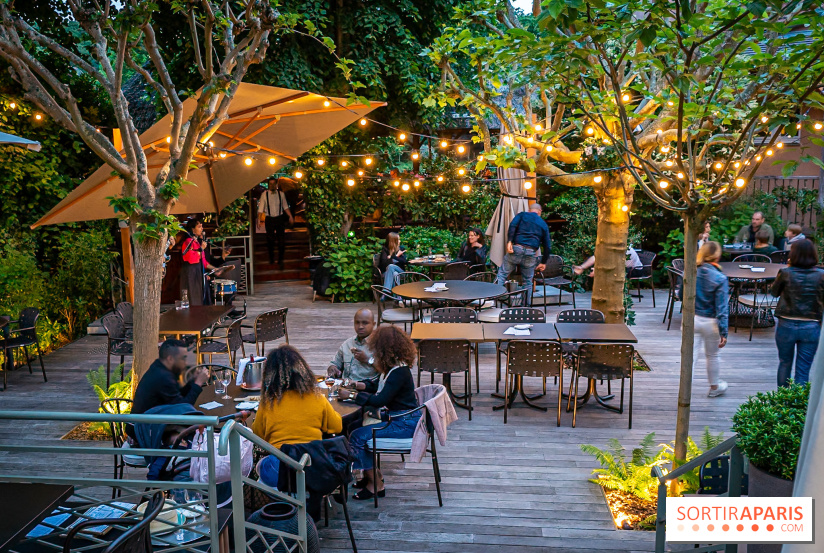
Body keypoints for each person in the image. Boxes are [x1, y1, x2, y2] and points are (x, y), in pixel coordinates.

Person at [338, 326, 420, 501]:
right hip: (399, 417)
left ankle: (375, 484)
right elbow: (377, 385)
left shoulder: (399, 372)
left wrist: (351, 395)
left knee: (358, 436)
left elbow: (379, 400)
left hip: (403, 422)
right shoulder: (394, 367)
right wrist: (355, 385)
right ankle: (370, 475)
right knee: (353, 426)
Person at [252, 345, 343, 487]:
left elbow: (257, 435)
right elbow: (337, 427)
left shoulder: (268, 402)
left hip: (280, 468)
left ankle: (283, 500)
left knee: (260, 466)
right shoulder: (317, 398)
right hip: (313, 467)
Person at [770, 239, 824, 387]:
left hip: (786, 323)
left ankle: (782, 402)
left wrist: (787, 268)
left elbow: (774, 293)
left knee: (784, 363)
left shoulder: (786, 273)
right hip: (811, 325)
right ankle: (798, 405)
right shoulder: (821, 275)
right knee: (803, 368)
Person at [132, 339, 209, 415]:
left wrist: (193, 381)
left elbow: (177, 397)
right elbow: (183, 409)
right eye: (183, 358)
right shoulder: (163, 377)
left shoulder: (159, 367)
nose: (186, 363)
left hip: (151, 421)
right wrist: (198, 383)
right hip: (145, 425)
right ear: (170, 359)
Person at [495, 203, 552, 304]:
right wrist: (543, 262)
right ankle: (525, 307)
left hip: (517, 249)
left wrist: (509, 241)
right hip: (531, 253)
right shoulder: (543, 224)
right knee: (527, 281)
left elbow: (512, 226)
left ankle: (494, 302)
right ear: (540, 212)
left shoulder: (521, 215)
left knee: (502, 275)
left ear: (530, 210)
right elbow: (547, 246)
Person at [694, 242, 729, 397]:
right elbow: (722, 309)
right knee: (713, 355)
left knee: (689, 356)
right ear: (717, 255)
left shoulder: (691, 271)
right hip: (711, 322)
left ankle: (685, 387)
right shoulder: (720, 278)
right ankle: (715, 388)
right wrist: (724, 331)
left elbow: (681, 293)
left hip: (692, 319)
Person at [180, 218, 228, 305]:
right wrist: (201, 249)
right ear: (193, 229)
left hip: (199, 272)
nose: (202, 229)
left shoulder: (197, 242)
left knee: (203, 297)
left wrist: (216, 269)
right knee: (195, 297)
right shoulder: (188, 242)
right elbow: (190, 258)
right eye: (199, 227)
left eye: (202, 226)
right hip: (191, 272)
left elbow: (204, 262)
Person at [327, 309, 378, 381]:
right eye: (357, 323)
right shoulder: (347, 344)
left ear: (373, 324)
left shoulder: (379, 345)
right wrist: (332, 368)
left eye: (365, 323)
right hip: (345, 387)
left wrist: (368, 360)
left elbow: (389, 371)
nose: (360, 326)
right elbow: (334, 363)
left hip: (368, 389)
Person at [258, 177, 294, 267]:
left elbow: (285, 206)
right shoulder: (264, 194)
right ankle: (271, 259)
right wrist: (258, 220)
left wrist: (290, 216)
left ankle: (280, 260)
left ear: (276, 184)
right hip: (269, 219)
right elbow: (261, 208)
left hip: (279, 219)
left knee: (281, 240)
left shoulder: (281, 194)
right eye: (270, 184)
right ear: (268, 185)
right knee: (270, 240)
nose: (272, 185)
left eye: (274, 184)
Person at [573, 246, 644, 278]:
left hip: (635, 270)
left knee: (610, 273)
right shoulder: (613, 247)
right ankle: (581, 268)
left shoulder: (624, 250)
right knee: (598, 255)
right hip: (622, 267)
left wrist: (598, 271)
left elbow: (614, 265)